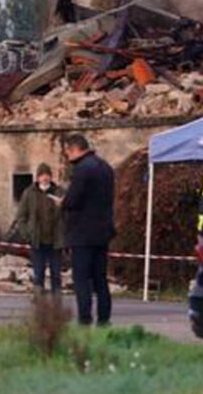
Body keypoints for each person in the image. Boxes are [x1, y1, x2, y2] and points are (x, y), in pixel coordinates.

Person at [61, 134, 115, 326]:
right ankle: (104, 318)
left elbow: (73, 200)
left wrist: (62, 203)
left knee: (82, 280)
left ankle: (84, 318)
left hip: (82, 234)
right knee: (100, 279)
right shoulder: (106, 168)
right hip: (103, 232)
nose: (67, 156)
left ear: (74, 149)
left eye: (67, 151)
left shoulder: (82, 170)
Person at [14, 162, 65, 293]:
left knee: (56, 273)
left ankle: (56, 302)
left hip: (56, 240)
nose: (45, 178)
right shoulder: (29, 193)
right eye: (42, 175)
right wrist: (27, 233)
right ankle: (39, 304)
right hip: (37, 239)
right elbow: (21, 216)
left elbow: (68, 214)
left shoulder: (59, 192)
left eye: (47, 175)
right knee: (38, 273)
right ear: (37, 178)